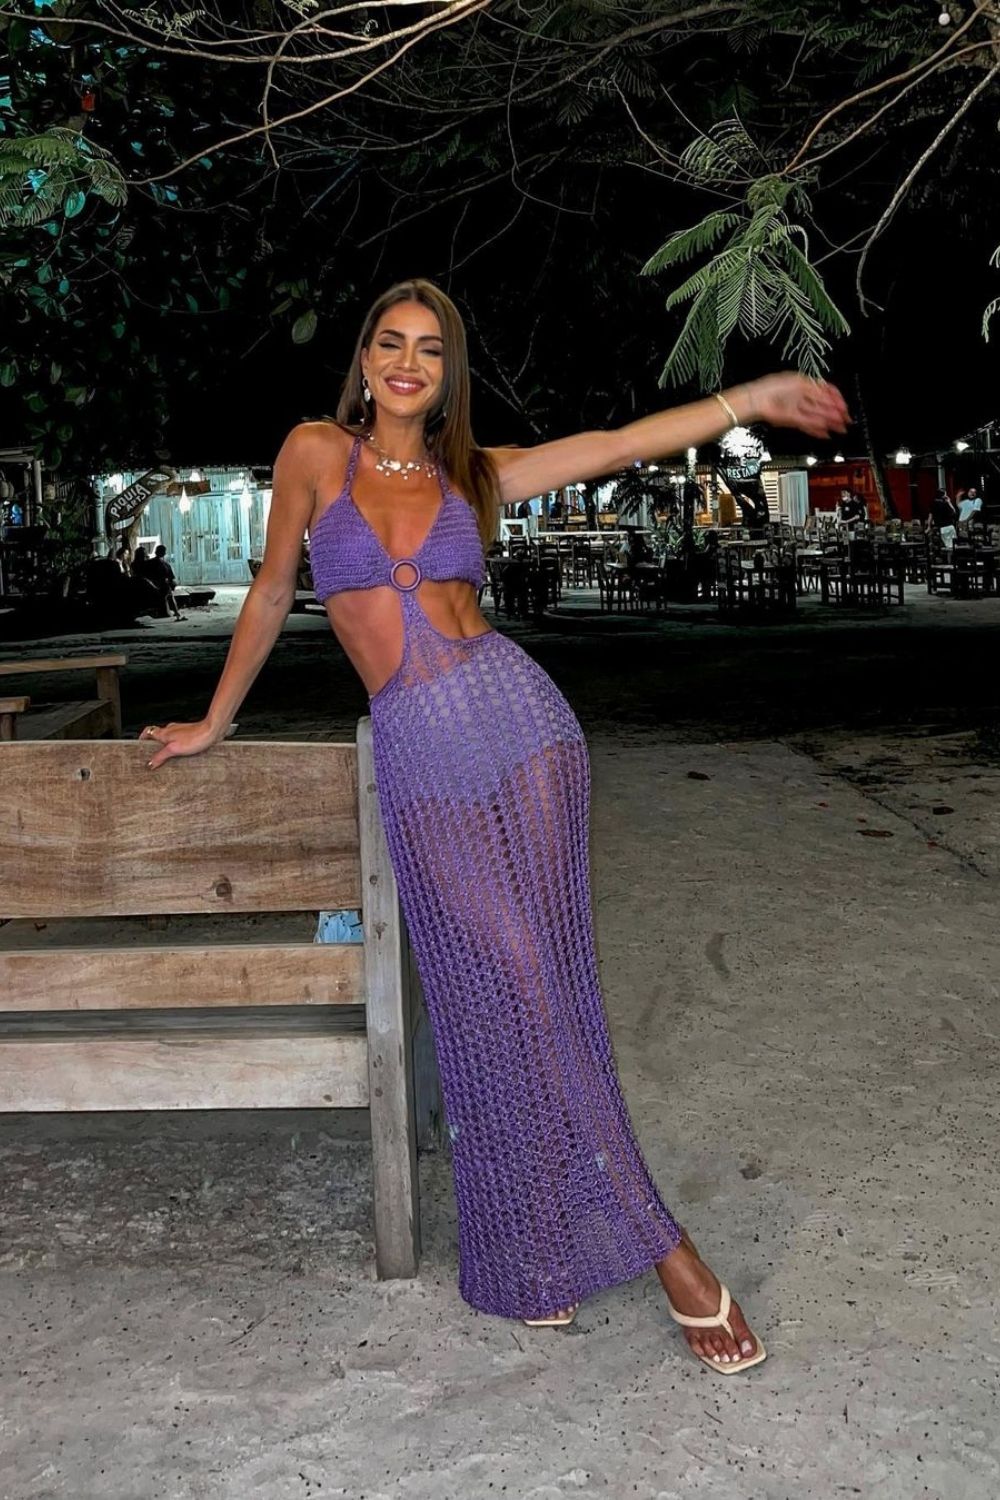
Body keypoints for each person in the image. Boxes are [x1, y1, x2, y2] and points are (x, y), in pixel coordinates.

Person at [140, 278, 847, 1374]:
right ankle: (619, 1251)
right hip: (421, 745)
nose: (407, 362)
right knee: (507, 981)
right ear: (366, 358)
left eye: (429, 348)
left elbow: (615, 441)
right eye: (390, 342)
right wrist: (215, 721)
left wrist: (745, 398)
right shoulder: (313, 454)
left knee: (544, 983)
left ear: (446, 373)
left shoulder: (475, 475)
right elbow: (275, 591)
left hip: (524, 731)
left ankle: (593, 1252)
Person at [145, 543, 184, 620]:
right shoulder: (164, 564)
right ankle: (176, 613)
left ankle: (176, 612)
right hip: (159, 585)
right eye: (163, 552)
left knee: (169, 593)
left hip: (157, 585)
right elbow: (170, 577)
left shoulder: (151, 562)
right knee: (169, 594)